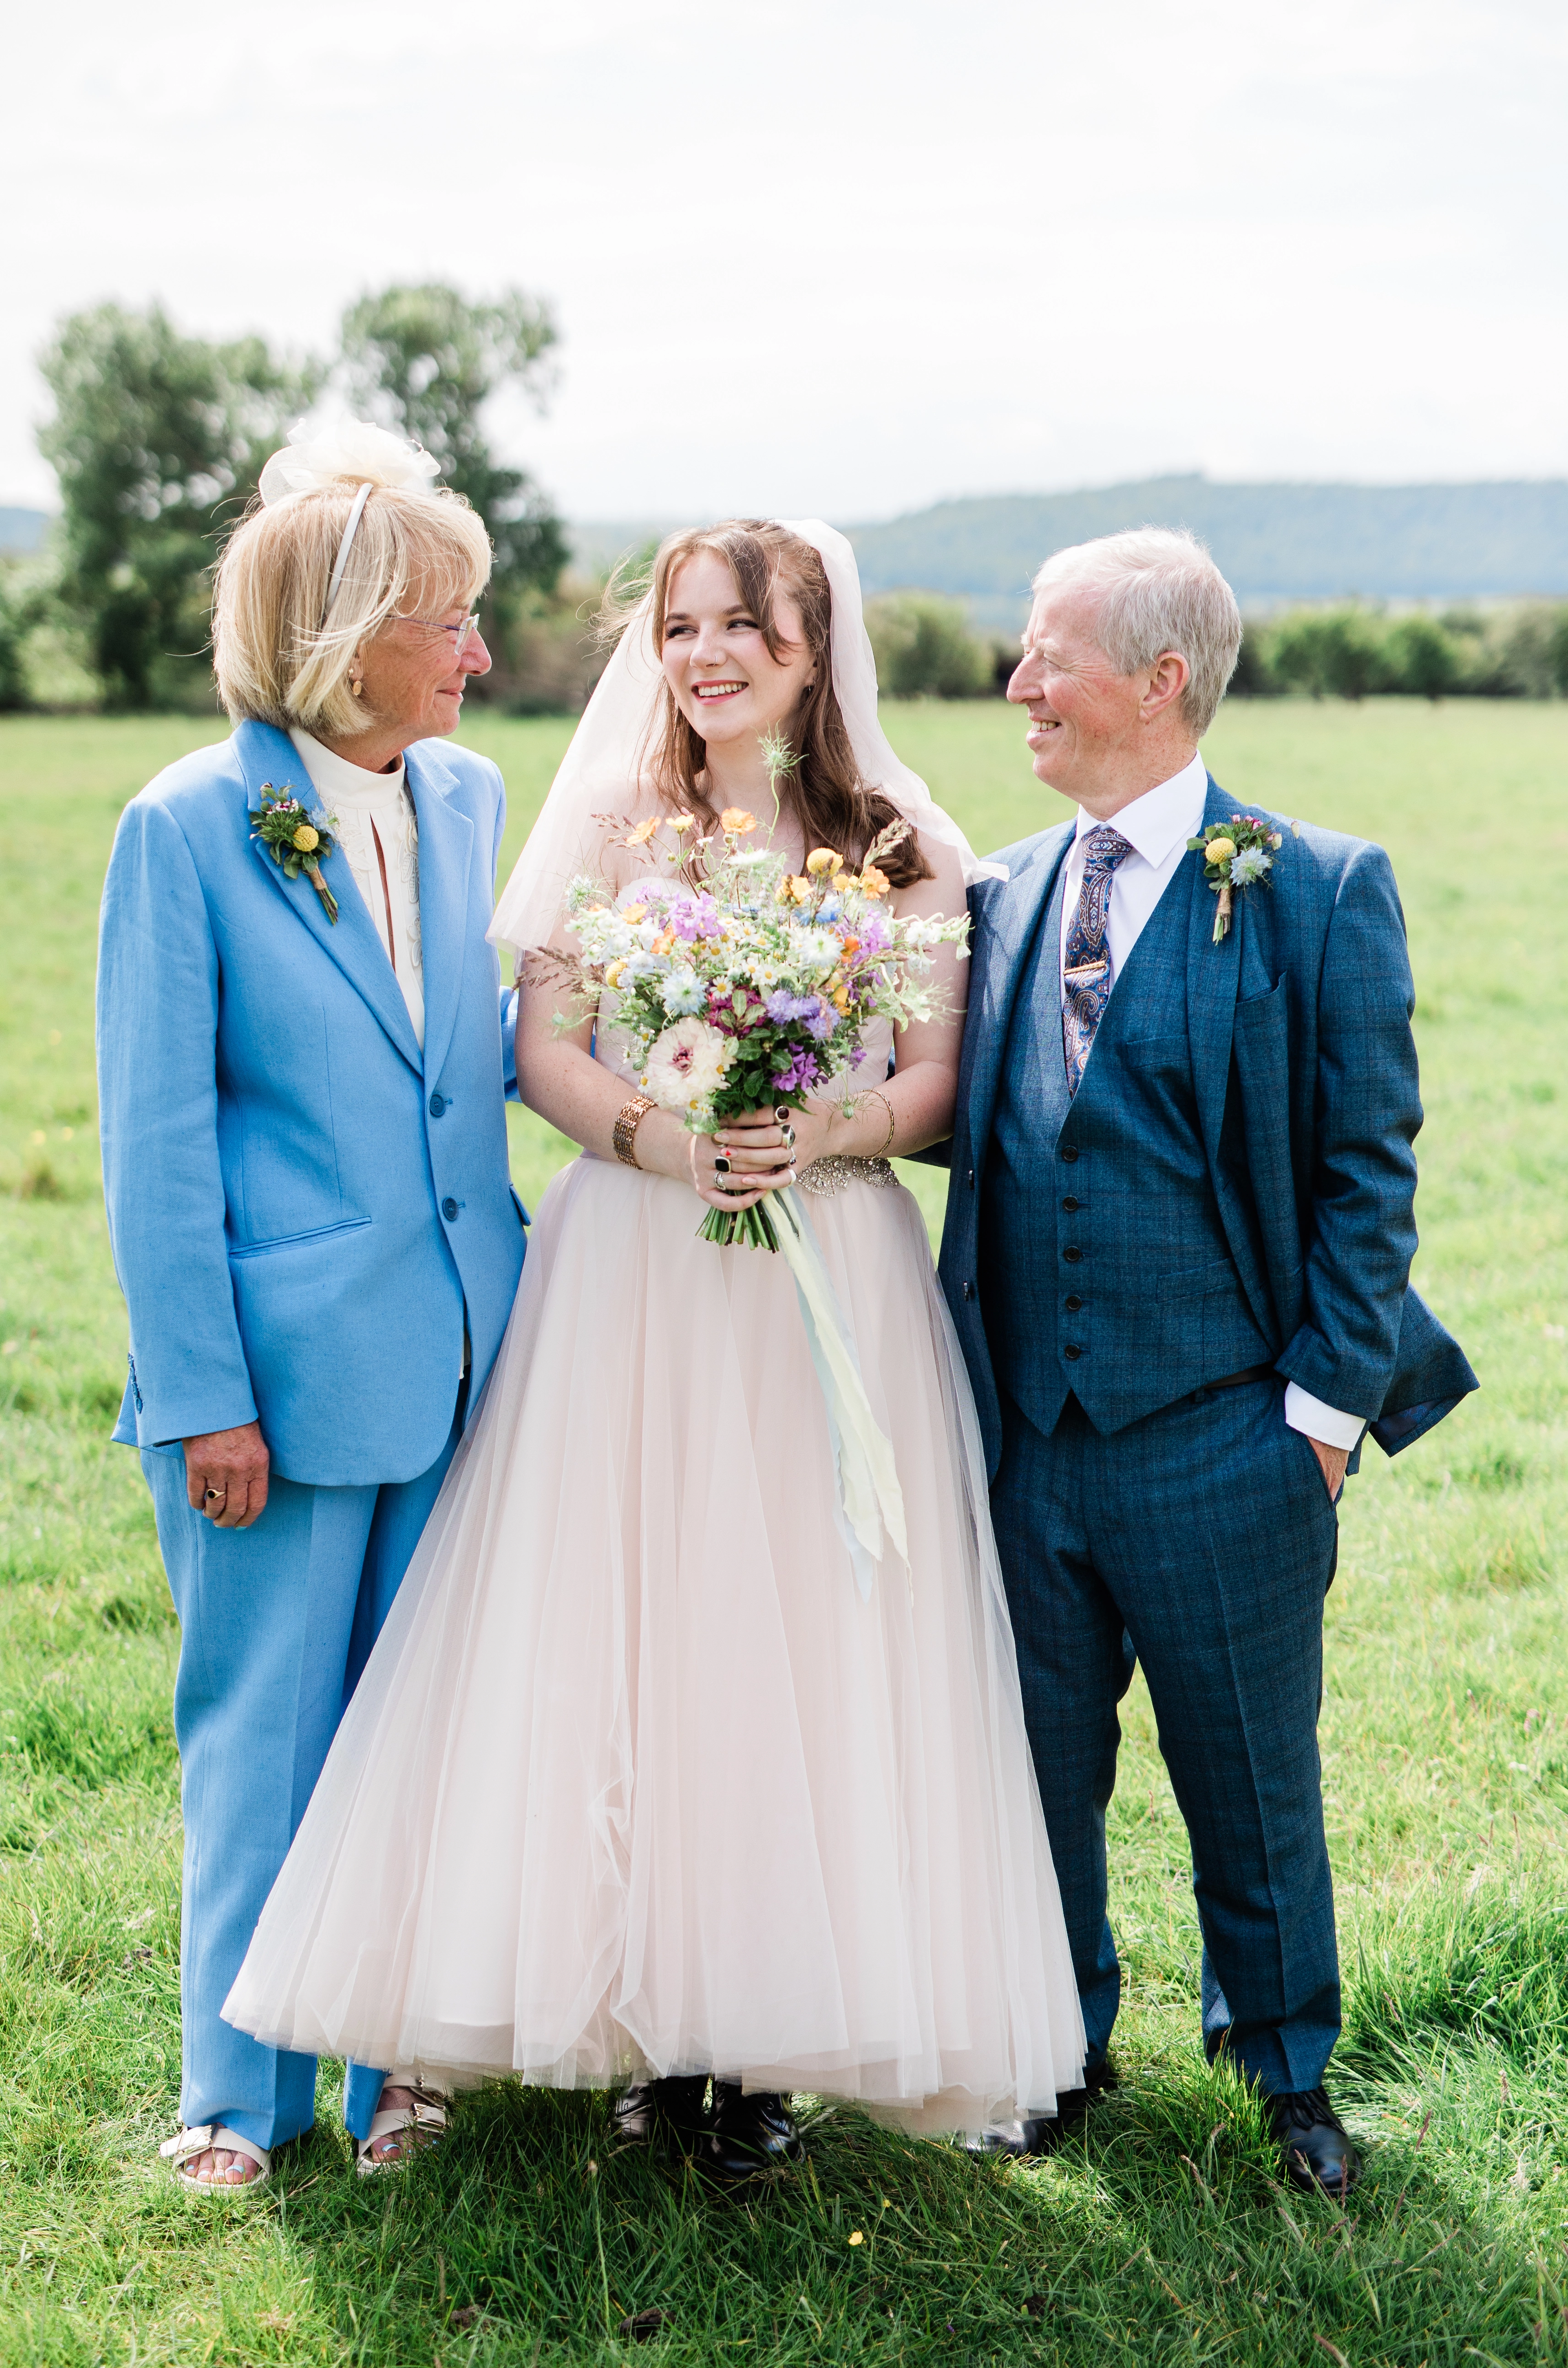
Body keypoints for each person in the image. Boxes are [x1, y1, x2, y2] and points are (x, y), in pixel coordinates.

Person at [223, 519, 1086, 2177]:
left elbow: (935, 1079)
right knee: (635, 1621)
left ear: (815, 648)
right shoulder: (613, 821)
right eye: (682, 628)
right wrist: (658, 1137)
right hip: (633, 1261)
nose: (705, 658)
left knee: (803, 1633)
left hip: (825, 1267)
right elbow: (537, 1049)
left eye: (742, 631)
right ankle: (627, 2014)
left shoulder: (900, 838)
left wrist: (827, 1121)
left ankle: (765, 2040)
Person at [934, 526, 1476, 2197]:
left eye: (1049, 655)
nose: (1018, 683)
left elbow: (1365, 1171)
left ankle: (1288, 2073)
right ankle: (1059, 2044)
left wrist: (1316, 1423)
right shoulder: (1007, 892)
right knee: (1040, 1773)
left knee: (1249, 1770)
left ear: (1162, 682)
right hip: (1031, 1436)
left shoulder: (1314, 888)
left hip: (1227, 1436)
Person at [96, 422, 528, 2191]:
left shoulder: (469, 800)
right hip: (266, 1390)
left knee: (420, 1732)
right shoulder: (188, 829)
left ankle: (397, 2078)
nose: (479, 655)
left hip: (463, 1356)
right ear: (348, 638)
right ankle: (237, 2100)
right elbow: (154, 1144)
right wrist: (205, 1395)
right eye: (451, 620)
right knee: (264, 1738)